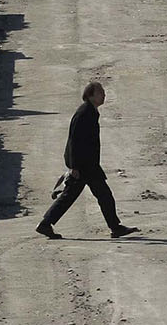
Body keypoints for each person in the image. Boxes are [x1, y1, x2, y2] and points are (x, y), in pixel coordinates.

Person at [37, 82, 138, 239]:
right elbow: (74, 140)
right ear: (90, 95)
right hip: (83, 166)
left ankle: (115, 227)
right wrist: (74, 166)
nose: (104, 95)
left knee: (96, 195)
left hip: (88, 165)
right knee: (90, 196)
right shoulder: (84, 113)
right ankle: (45, 224)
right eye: (100, 93)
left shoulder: (90, 111)